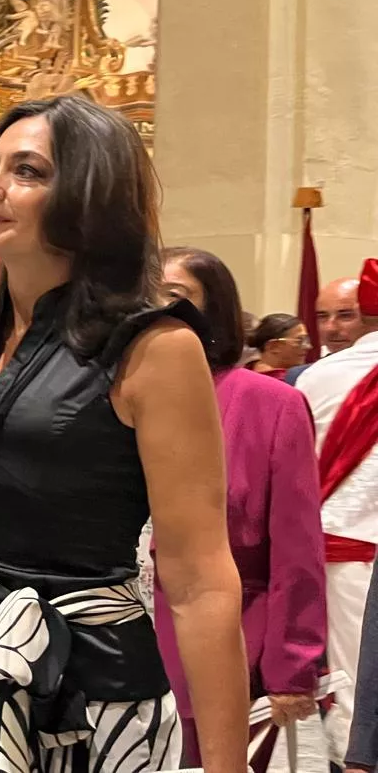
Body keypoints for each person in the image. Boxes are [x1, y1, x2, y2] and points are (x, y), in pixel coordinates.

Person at [0, 94, 247, 773]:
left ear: (91, 200)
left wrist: (226, 768)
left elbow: (199, 578)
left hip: (91, 693)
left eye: (30, 171)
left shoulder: (154, 347)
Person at [156, 247, 326, 770]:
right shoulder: (115, 393)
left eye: (176, 296)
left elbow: (297, 547)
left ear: (216, 311)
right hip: (119, 644)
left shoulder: (268, 403)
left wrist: (292, 667)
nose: (157, 309)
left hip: (226, 642)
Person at [298, 258, 378, 769]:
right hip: (348, 553)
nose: (330, 327)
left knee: (353, 679)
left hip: (339, 556)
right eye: (323, 315)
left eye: (344, 314)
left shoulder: (312, 378)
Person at [285, 277, 377, 385]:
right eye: (322, 316)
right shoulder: (301, 377)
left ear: (372, 320)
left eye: (345, 316)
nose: (330, 328)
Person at [247, 312, 310, 379]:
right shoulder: (288, 381)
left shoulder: (243, 373)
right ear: (274, 346)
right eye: (299, 341)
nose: (308, 346)